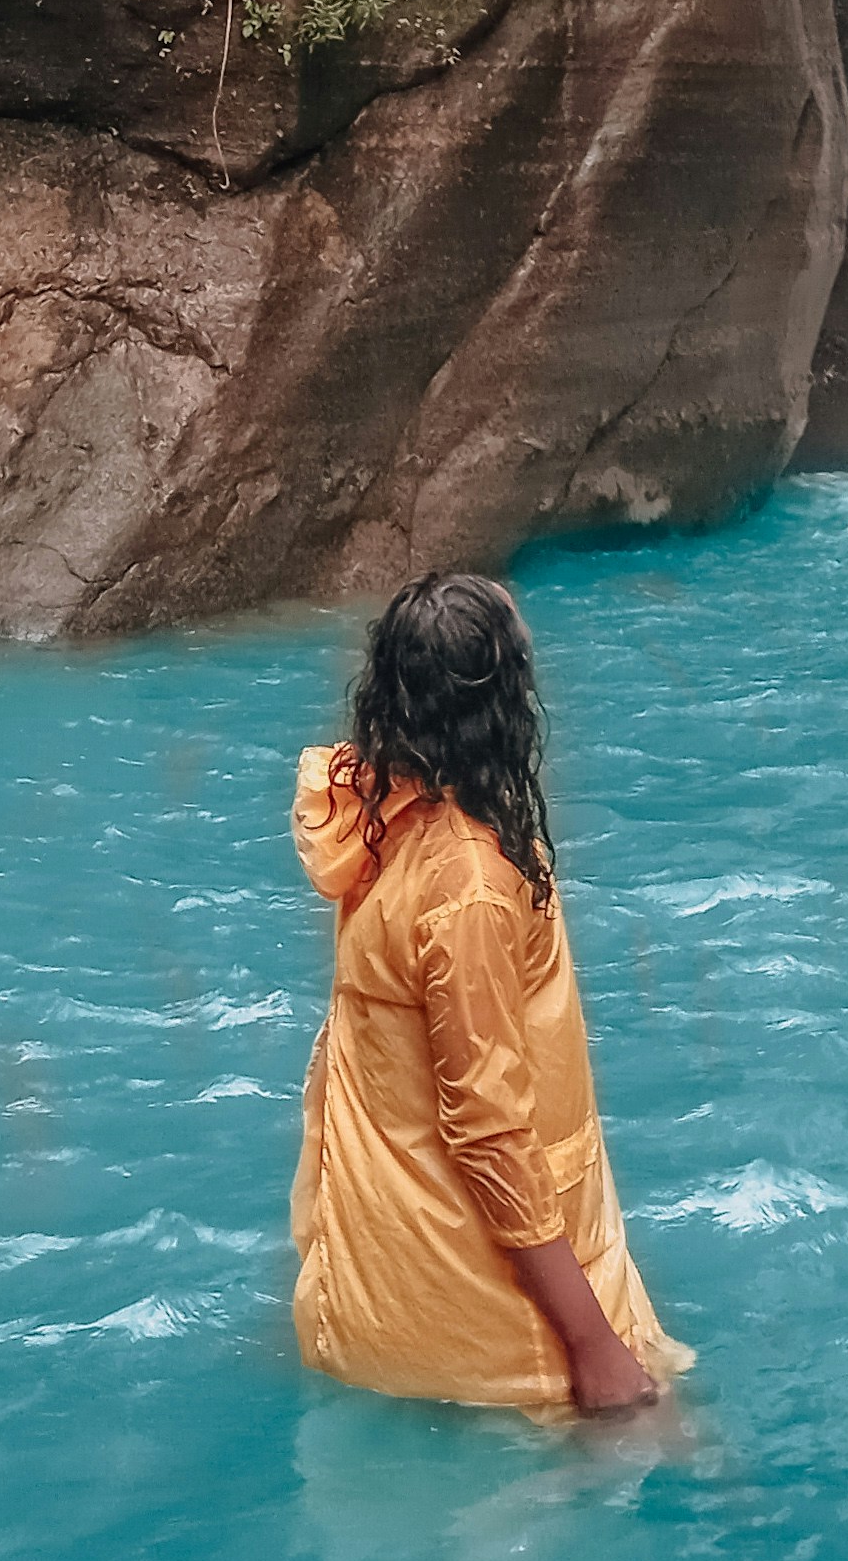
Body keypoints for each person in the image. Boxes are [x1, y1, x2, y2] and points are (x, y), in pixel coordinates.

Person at [288, 570, 691, 1418]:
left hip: (384, 1283)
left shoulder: (375, 805)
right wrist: (594, 1347)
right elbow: (490, 1132)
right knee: (674, 1449)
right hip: (483, 1324)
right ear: (501, 702)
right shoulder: (470, 884)